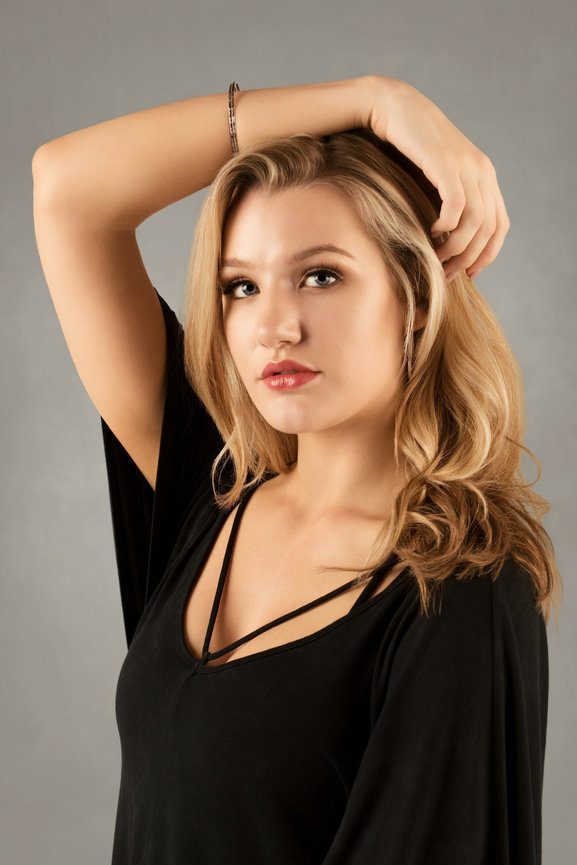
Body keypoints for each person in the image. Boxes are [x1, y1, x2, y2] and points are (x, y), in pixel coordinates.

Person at [32, 76, 560, 864]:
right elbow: (68, 189)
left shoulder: (457, 587)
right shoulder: (209, 490)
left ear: (414, 294)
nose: (273, 326)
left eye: (320, 275)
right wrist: (371, 98)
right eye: (240, 286)